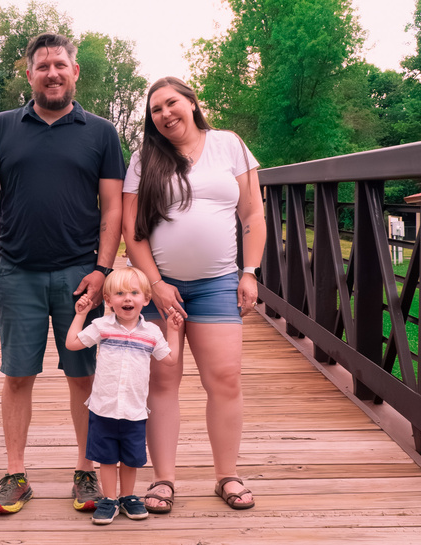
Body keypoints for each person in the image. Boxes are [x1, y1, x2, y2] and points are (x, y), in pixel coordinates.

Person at [0, 32, 126, 515]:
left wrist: (102, 269)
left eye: (61, 64)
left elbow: (114, 207)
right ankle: (16, 475)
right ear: (29, 73)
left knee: (84, 376)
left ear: (75, 72)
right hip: (17, 272)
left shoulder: (100, 133)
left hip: (81, 275)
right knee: (18, 375)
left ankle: (87, 472)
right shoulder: (1, 127)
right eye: (43, 65)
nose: (52, 72)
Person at [121, 77, 266, 513]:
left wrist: (250, 271)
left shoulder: (230, 145)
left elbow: (253, 213)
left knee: (224, 379)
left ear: (191, 101)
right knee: (162, 382)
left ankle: (227, 475)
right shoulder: (144, 159)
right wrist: (157, 284)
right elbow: (132, 230)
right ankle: (163, 479)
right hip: (157, 289)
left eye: (171, 103)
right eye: (155, 110)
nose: (165, 114)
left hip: (218, 283)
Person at [65, 267, 183, 525]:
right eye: (119, 293)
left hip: (134, 409)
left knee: (130, 458)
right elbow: (72, 343)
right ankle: (109, 499)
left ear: (146, 298)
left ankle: (127, 497)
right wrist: (80, 315)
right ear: (108, 301)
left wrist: (173, 331)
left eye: (134, 293)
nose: (127, 298)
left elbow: (171, 359)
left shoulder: (151, 332)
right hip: (104, 407)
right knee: (106, 458)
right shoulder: (102, 326)